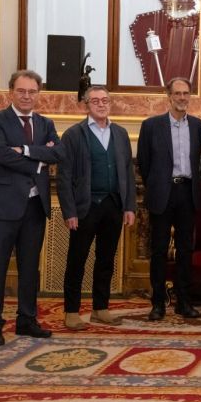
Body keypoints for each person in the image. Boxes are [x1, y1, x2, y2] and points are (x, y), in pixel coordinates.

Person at [0, 70, 59, 346]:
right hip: (2, 208)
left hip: (35, 207)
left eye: (32, 92)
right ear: (11, 92)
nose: (27, 96)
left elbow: (57, 152)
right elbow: (0, 156)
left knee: (29, 268)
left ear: (39, 94)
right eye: (21, 91)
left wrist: (24, 151)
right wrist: (40, 157)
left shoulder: (46, 123)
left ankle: (26, 320)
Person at [57, 86, 137, 330]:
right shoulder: (73, 135)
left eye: (105, 100)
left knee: (106, 259)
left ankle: (100, 308)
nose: (101, 104)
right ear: (86, 105)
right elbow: (64, 177)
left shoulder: (121, 133)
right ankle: (71, 311)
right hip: (85, 207)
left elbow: (128, 173)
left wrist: (129, 206)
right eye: (95, 101)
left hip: (113, 206)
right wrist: (69, 211)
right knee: (77, 259)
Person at [137, 77, 201, 321]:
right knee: (158, 250)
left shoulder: (199, 126)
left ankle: (183, 302)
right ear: (168, 96)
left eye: (186, 93)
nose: (182, 98)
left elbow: (199, 161)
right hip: (162, 193)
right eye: (177, 93)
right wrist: (156, 185)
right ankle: (158, 304)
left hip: (187, 193)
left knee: (186, 250)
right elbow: (144, 164)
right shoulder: (151, 126)